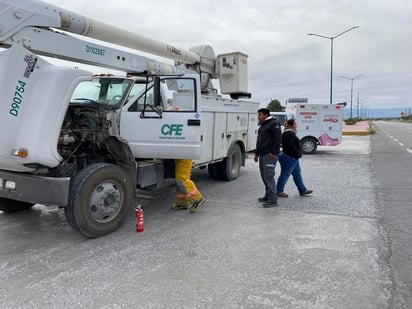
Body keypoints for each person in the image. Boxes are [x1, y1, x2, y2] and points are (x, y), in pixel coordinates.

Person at [276, 118, 313, 197]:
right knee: (285, 174)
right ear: (291, 125)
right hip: (289, 157)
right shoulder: (289, 134)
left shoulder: (290, 133)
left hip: (293, 157)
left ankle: (302, 190)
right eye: (295, 124)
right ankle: (279, 191)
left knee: (297, 174)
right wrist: (298, 153)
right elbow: (290, 146)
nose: (296, 125)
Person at [254, 108, 282, 208]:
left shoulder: (274, 124)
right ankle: (268, 195)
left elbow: (278, 139)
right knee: (264, 176)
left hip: (269, 155)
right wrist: (257, 154)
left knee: (268, 176)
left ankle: (273, 200)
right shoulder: (263, 125)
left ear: (266, 115)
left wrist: (274, 152)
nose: (258, 116)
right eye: (258, 115)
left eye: (260, 115)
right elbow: (260, 141)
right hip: (262, 155)